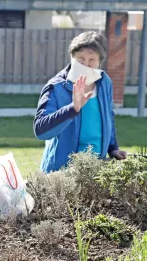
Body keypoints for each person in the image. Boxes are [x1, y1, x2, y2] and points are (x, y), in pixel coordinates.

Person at [33, 31, 127, 173]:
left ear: (99, 62)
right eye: (80, 59)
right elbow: (41, 131)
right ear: (72, 57)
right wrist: (73, 108)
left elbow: (108, 116)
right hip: (62, 175)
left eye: (92, 60)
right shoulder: (56, 87)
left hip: (95, 170)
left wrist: (113, 148)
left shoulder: (104, 81)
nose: (86, 65)